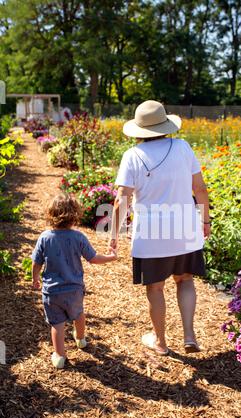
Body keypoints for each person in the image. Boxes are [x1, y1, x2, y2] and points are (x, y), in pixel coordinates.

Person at [109, 100, 211, 355]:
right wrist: (205, 220)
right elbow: (200, 189)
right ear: (166, 125)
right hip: (185, 229)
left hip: (151, 235)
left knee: (155, 287)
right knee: (185, 279)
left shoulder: (132, 155)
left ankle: (161, 342)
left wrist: (113, 235)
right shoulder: (182, 147)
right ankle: (189, 335)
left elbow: (122, 198)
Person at [32, 193, 117, 369]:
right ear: (75, 215)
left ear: (51, 214)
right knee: (78, 314)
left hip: (52, 291)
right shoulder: (78, 237)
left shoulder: (45, 237)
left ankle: (60, 356)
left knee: (57, 324)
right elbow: (93, 258)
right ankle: (80, 339)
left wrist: (35, 279)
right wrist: (111, 257)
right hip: (74, 289)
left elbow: (36, 262)